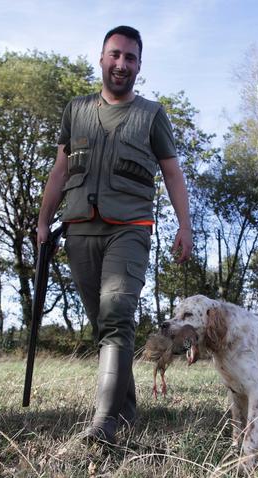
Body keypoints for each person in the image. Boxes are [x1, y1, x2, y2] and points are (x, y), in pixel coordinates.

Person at [36, 25, 193, 445]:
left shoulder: (152, 114)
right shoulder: (76, 110)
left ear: (139, 66)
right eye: (116, 55)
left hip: (131, 227)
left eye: (131, 58)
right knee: (104, 325)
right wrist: (41, 221)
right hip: (80, 228)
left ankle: (104, 424)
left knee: (116, 313)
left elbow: (173, 172)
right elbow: (60, 170)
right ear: (102, 58)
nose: (122, 64)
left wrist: (185, 224)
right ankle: (124, 409)